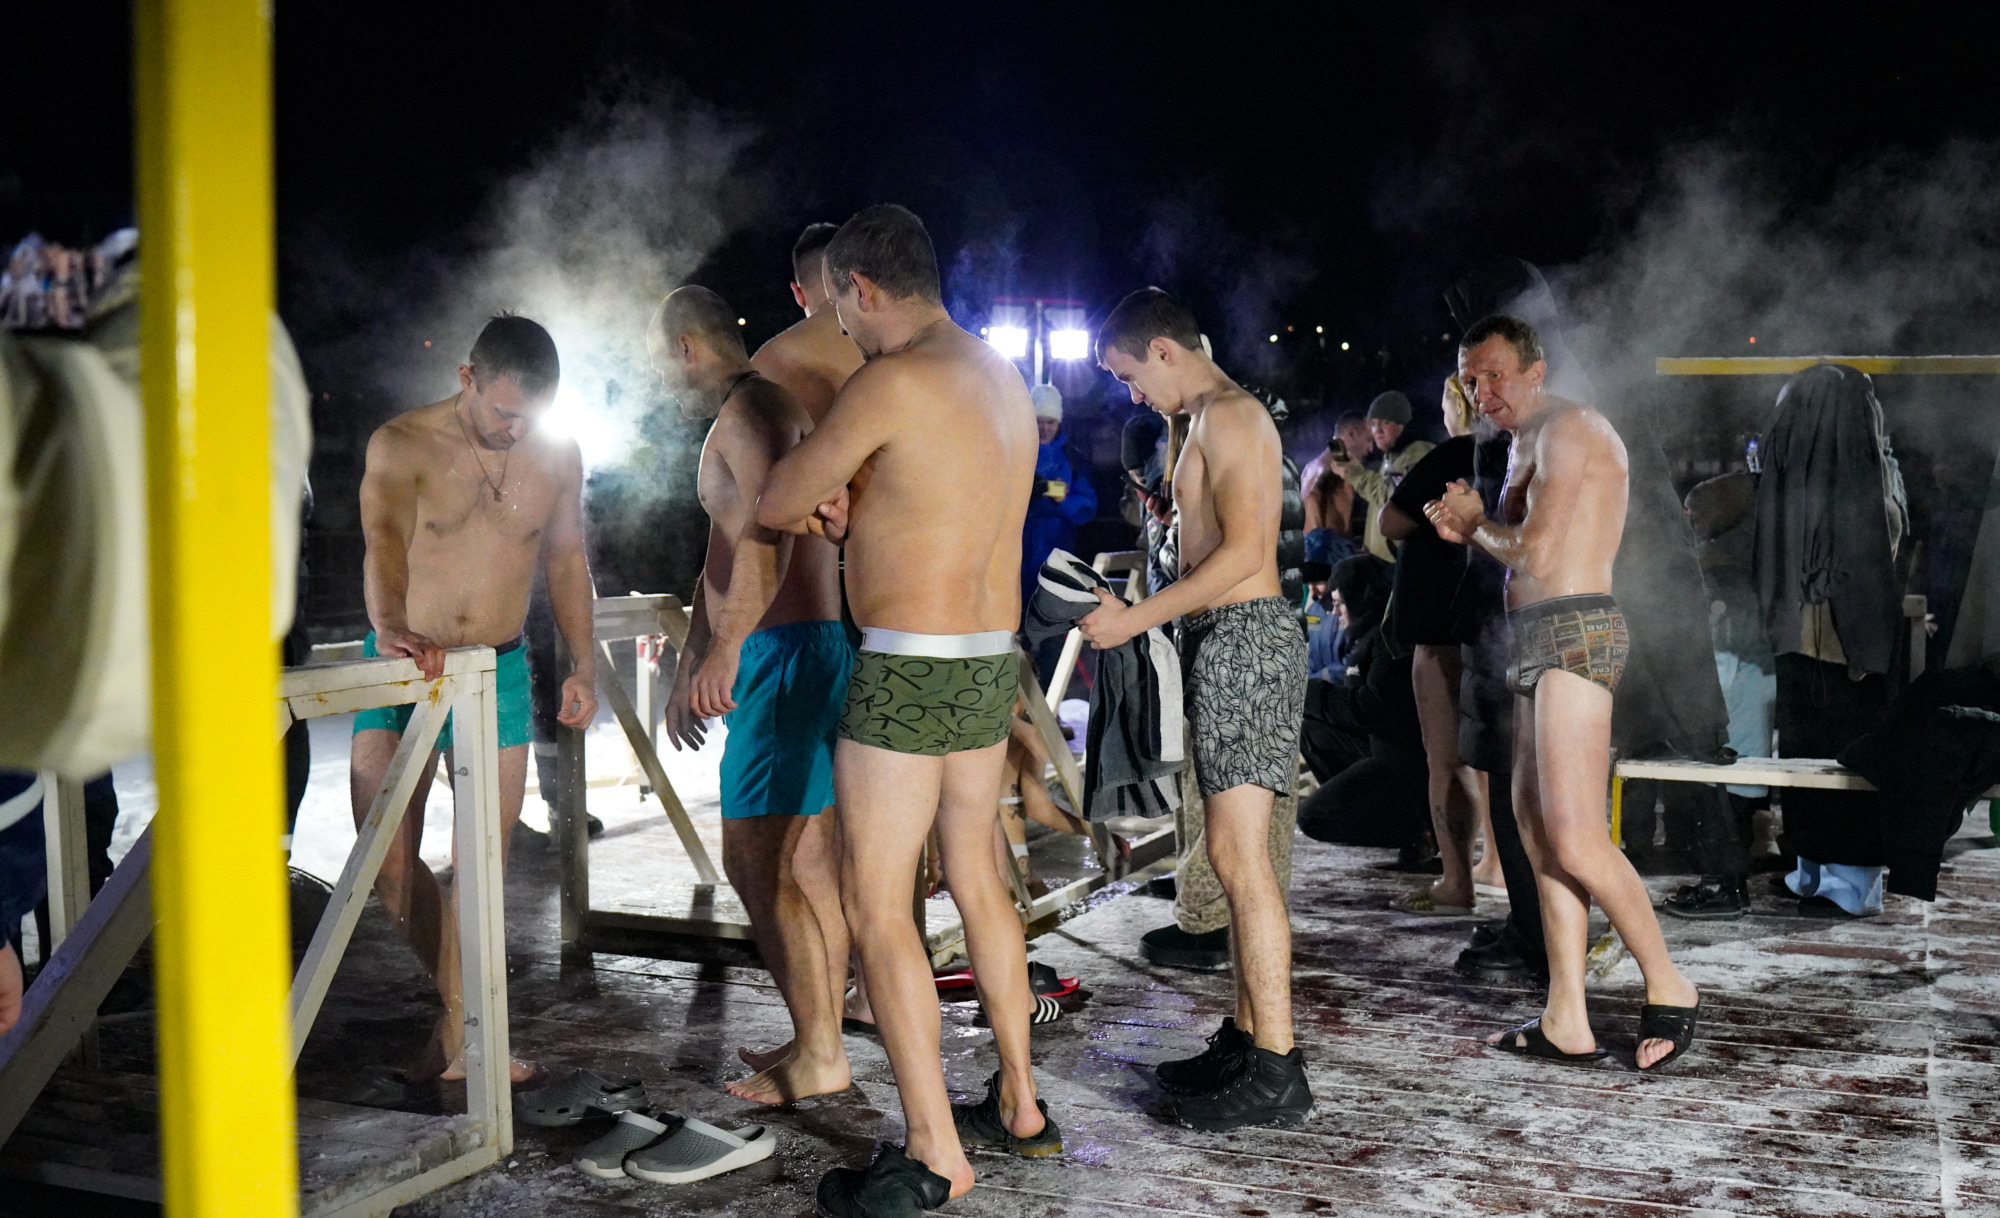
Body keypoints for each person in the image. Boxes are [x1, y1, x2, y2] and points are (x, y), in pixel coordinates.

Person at [755, 204, 1054, 1215]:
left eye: (840, 311)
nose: (841, 331)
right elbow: (942, 503)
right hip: (987, 658)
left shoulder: (890, 379)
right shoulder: (996, 373)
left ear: (864, 288)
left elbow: (775, 498)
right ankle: (1020, 1102)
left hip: (908, 665)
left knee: (880, 906)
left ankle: (933, 1151)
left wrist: (828, 496)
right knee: (979, 880)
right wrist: (862, 512)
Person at [1425, 313, 1700, 1071]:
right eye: (1470, 380)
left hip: (1576, 627)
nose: (1483, 392)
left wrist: (1476, 525)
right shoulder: (1525, 439)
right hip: (1534, 634)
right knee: (1537, 833)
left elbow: (1541, 554)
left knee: (1576, 837)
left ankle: (1670, 984)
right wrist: (1471, 526)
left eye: (1495, 375)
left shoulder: (1570, 429)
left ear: (1535, 371)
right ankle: (1566, 1017)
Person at [1081, 286, 1312, 1130]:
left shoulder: (1234, 416)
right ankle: (1249, 1039)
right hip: (1223, 639)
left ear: (1164, 351)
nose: (1133, 395)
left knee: (1240, 857)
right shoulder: (1202, 417)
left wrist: (1136, 618)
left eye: (1130, 376)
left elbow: (1248, 551)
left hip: (1247, 637)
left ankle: (1277, 1067)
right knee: (1232, 853)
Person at [353, 314, 598, 1081]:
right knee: (385, 859)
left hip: (498, 670)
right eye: (505, 412)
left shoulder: (557, 455)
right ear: (467, 378)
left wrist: (583, 664)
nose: (517, 430)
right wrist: (389, 625)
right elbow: (382, 539)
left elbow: (567, 559)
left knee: (480, 867)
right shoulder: (402, 443)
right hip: (404, 665)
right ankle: (464, 1019)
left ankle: (465, 1034)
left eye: (532, 416)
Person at [650, 285, 854, 1105]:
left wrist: (731, 647)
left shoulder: (752, 413)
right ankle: (817, 1038)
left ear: (686, 348)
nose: (656, 380)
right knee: (803, 863)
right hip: (788, 647)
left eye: (657, 361)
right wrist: (691, 657)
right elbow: (723, 549)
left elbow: (773, 536)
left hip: (784, 652)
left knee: (753, 860)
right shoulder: (747, 412)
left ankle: (822, 1055)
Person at [743, 220, 871, 1041]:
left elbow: (759, 519)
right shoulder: (900, 363)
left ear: (800, 289)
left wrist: (721, 641)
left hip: (806, 620)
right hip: (897, 615)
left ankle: (821, 1030)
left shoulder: (774, 366)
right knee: (881, 827)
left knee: (796, 840)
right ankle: (869, 991)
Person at [1380, 376, 1493, 914]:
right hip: (1494, 621)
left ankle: (1455, 882)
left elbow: (1392, 520)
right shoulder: (1517, 451)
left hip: (1440, 623)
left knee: (1446, 760)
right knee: (1494, 755)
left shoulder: (1454, 452)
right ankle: (1495, 862)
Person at [1295, 555, 1430, 852]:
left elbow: (1373, 707)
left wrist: (1310, 693)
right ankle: (1379, 810)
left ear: (1359, 600)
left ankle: (1414, 829)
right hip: (1378, 746)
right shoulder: (1368, 635)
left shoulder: (1388, 639)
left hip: (1401, 758)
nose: (1334, 612)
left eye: (1339, 603)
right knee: (1310, 729)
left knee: (1313, 817)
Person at [1021, 383, 1098, 685]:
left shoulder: (1072, 457)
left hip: (1055, 559)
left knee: (1052, 637)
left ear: (1059, 422)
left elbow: (1086, 507)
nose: (1044, 428)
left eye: (1050, 422)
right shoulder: (1015, 450)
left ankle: (1048, 705)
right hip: (1014, 560)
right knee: (1013, 634)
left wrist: (1061, 497)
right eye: (1039, 422)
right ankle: (1013, 706)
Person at [1332, 392, 1433, 561]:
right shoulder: (1392, 456)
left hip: (1399, 564)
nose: (1377, 431)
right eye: (1373, 424)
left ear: (1403, 424)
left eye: (1386, 422)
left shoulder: (1416, 455)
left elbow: (1395, 498)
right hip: (1381, 561)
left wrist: (1356, 474)